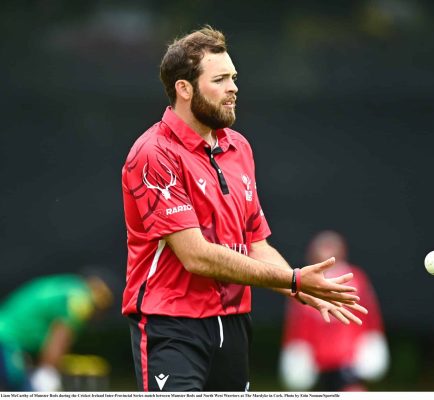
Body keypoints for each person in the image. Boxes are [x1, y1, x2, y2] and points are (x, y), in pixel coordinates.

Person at [121, 26, 367, 392]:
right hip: (171, 323)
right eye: (219, 79)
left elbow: (256, 244)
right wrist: (294, 279)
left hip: (234, 322)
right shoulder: (154, 153)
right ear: (184, 89)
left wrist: (302, 291)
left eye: (233, 77)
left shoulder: (238, 147)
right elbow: (197, 257)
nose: (233, 88)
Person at [280, 231, 390, 391]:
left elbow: (370, 315)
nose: (327, 252)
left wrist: (371, 341)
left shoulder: (356, 278)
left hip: (350, 358)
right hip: (318, 360)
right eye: (323, 247)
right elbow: (297, 324)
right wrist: (297, 350)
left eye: (331, 247)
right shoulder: (302, 282)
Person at [0, 272, 114, 391]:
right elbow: (59, 338)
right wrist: (47, 373)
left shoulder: (66, 285)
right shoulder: (80, 299)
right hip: (7, 342)